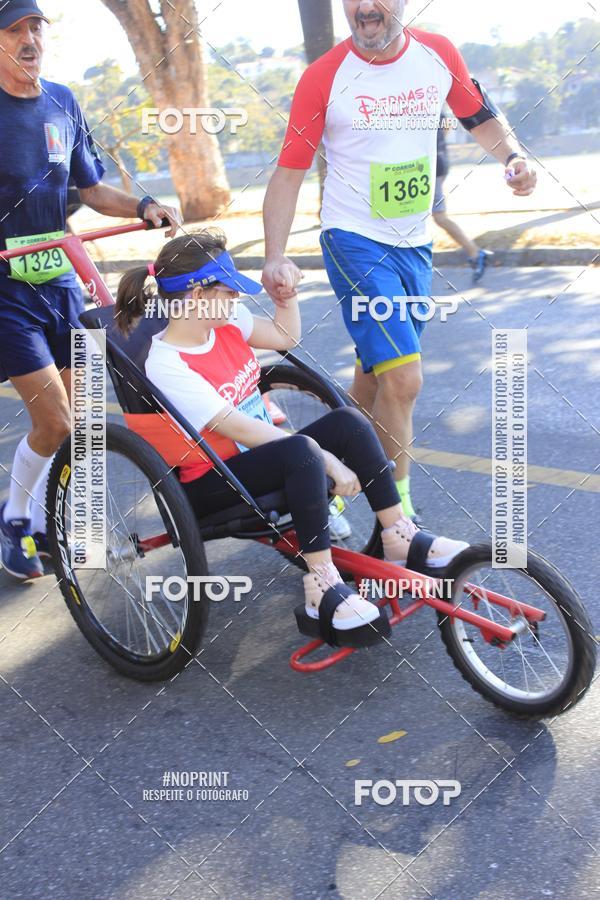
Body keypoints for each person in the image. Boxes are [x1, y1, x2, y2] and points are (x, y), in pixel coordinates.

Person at [114, 229, 468, 648]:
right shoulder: (167, 365)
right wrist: (326, 460)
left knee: (349, 421)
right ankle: (322, 586)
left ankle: (398, 536)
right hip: (212, 479)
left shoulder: (226, 322)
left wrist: (287, 298)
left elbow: (284, 336)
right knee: (301, 451)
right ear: (196, 296)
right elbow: (242, 429)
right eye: (228, 291)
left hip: (259, 458)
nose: (236, 298)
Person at [262, 0, 537, 524]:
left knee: (374, 379)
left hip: (415, 243)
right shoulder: (324, 77)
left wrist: (513, 157)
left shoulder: (438, 54)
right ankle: (400, 518)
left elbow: (480, 119)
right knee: (405, 381)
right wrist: (275, 254)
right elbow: (290, 171)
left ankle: (318, 481)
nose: (366, 7)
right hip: (353, 241)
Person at [0, 1, 181, 579]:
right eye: (14, 29)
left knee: (75, 423)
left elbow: (92, 189)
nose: (29, 39)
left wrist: (144, 205)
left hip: (61, 282)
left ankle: (33, 517)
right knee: (55, 421)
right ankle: (15, 519)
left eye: (35, 27)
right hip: (6, 292)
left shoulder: (61, 102)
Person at [432, 122, 492, 283]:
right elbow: (446, 128)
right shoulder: (437, 110)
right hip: (438, 162)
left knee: (439, 216)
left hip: (430, 167)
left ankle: (475, 252)